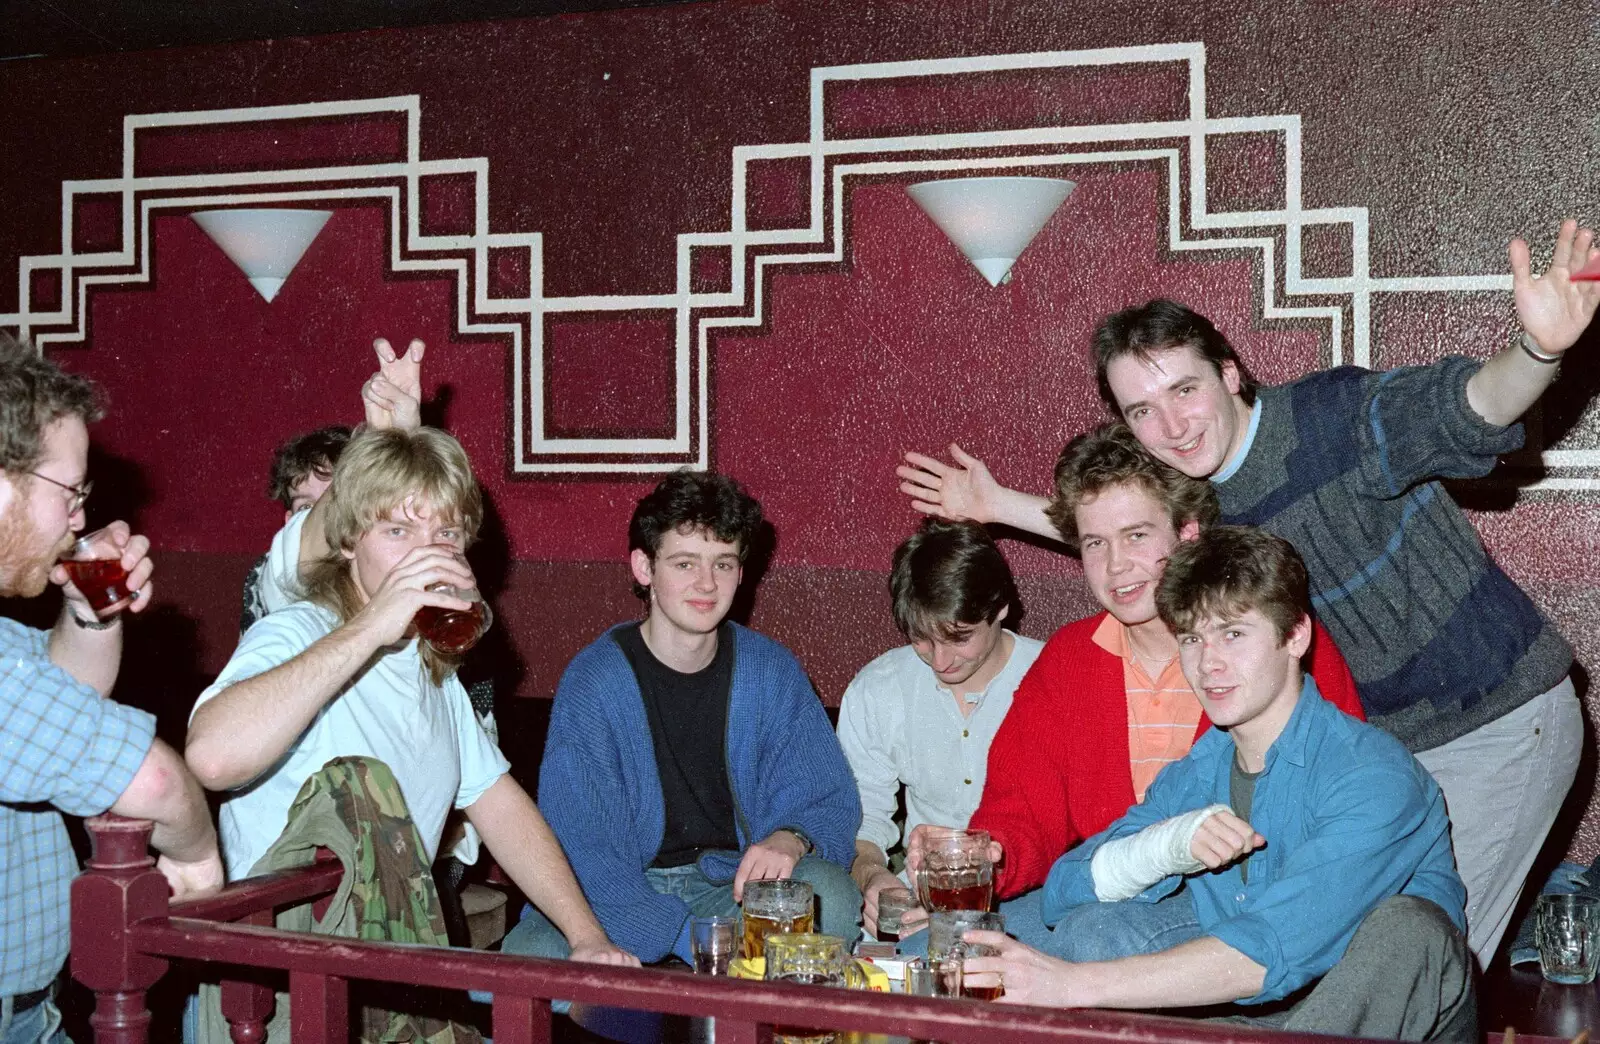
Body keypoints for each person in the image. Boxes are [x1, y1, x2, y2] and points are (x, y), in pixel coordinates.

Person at [898, 220, 1599, 963]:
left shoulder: (1330, 419)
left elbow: (1463, 410)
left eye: (1185, 389)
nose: (1169, 424)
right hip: (1382, 743)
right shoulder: (1204, 514)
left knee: (1416, 963)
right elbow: (1130, 540)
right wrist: (1000, 504)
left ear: (1231, 371)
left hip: (1492, 717)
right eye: (1141, 411)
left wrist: (1537, 350)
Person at [963, 527, 1474, 1042]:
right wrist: (1162, 850)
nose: (1209, 663)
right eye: (1191, 638)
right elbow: (1064, 889)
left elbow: (1270, 947)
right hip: (1249, 1020)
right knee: (1088, 928)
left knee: (1409, 930)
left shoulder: (1373, 775)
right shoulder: (1198, 774)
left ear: (1296, 635)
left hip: (1362, 1016)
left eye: (1232, 633)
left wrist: (1073, 984)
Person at [184, 425, 633, 969]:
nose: (426, 556)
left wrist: (586, 936)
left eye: (444, 534)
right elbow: (211, 757)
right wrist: (372, 624)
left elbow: (499, 806)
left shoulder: (431, 667)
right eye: (398, 530)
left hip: (378, 969)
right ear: (348, 541)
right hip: (276, 980)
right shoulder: (297, 632)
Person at [908, 423, 1363, 909]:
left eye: (1137, 536)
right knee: (929, 951)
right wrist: (987, 854)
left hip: (1242, 903)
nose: (1116, 566)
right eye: (1095, 544)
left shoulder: (1270, 637)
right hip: (1100, 894)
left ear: (1187, 533)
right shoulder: (1069, 659)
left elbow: (1342, 790)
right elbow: (1022, 806)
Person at [503, 471, 862, 964]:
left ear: (742, 571)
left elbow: (827, 800)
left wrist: (791, 837)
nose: (707, 584)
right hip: (618, 895)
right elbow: (589, 857)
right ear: (644, 567)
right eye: (685, 563)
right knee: (530, 953)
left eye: (724, 563)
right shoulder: (596, 682)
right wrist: (688, 943)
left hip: (731, 888)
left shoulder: (769, 670)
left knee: (829, 896)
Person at [0, 335, 222, 1043]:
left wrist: (90, 610)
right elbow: (154, 781)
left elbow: (63, 698)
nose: (77, 517)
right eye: (69, 491)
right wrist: (196, 860)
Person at [836, 519, 1042, 937]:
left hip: (1033, 897)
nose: (941, 659)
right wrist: (873, 875)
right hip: (925, 902)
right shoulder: (880, 688)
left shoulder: (1052, 678)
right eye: (922, 640)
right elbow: (860, 821)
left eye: (960, 637)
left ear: (1000, 607)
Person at [239, 424, 350, 633]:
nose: (320, 513)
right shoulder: (273, 568)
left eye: (329, 495)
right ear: (290, 522)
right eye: (306, 507)